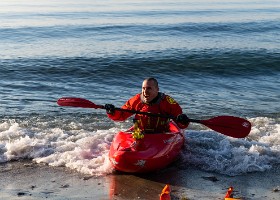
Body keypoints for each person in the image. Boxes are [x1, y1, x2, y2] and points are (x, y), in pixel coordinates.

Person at [104, 77, 189, 133]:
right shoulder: (136, 100)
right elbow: (121, 115)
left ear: (157, 89)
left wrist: (182, 119)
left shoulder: (167, 101)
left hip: (161, 134)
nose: (145, 92)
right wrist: (112, 112)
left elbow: (181, 122)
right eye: (143, 88)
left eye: (149, 88)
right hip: (140, 133)